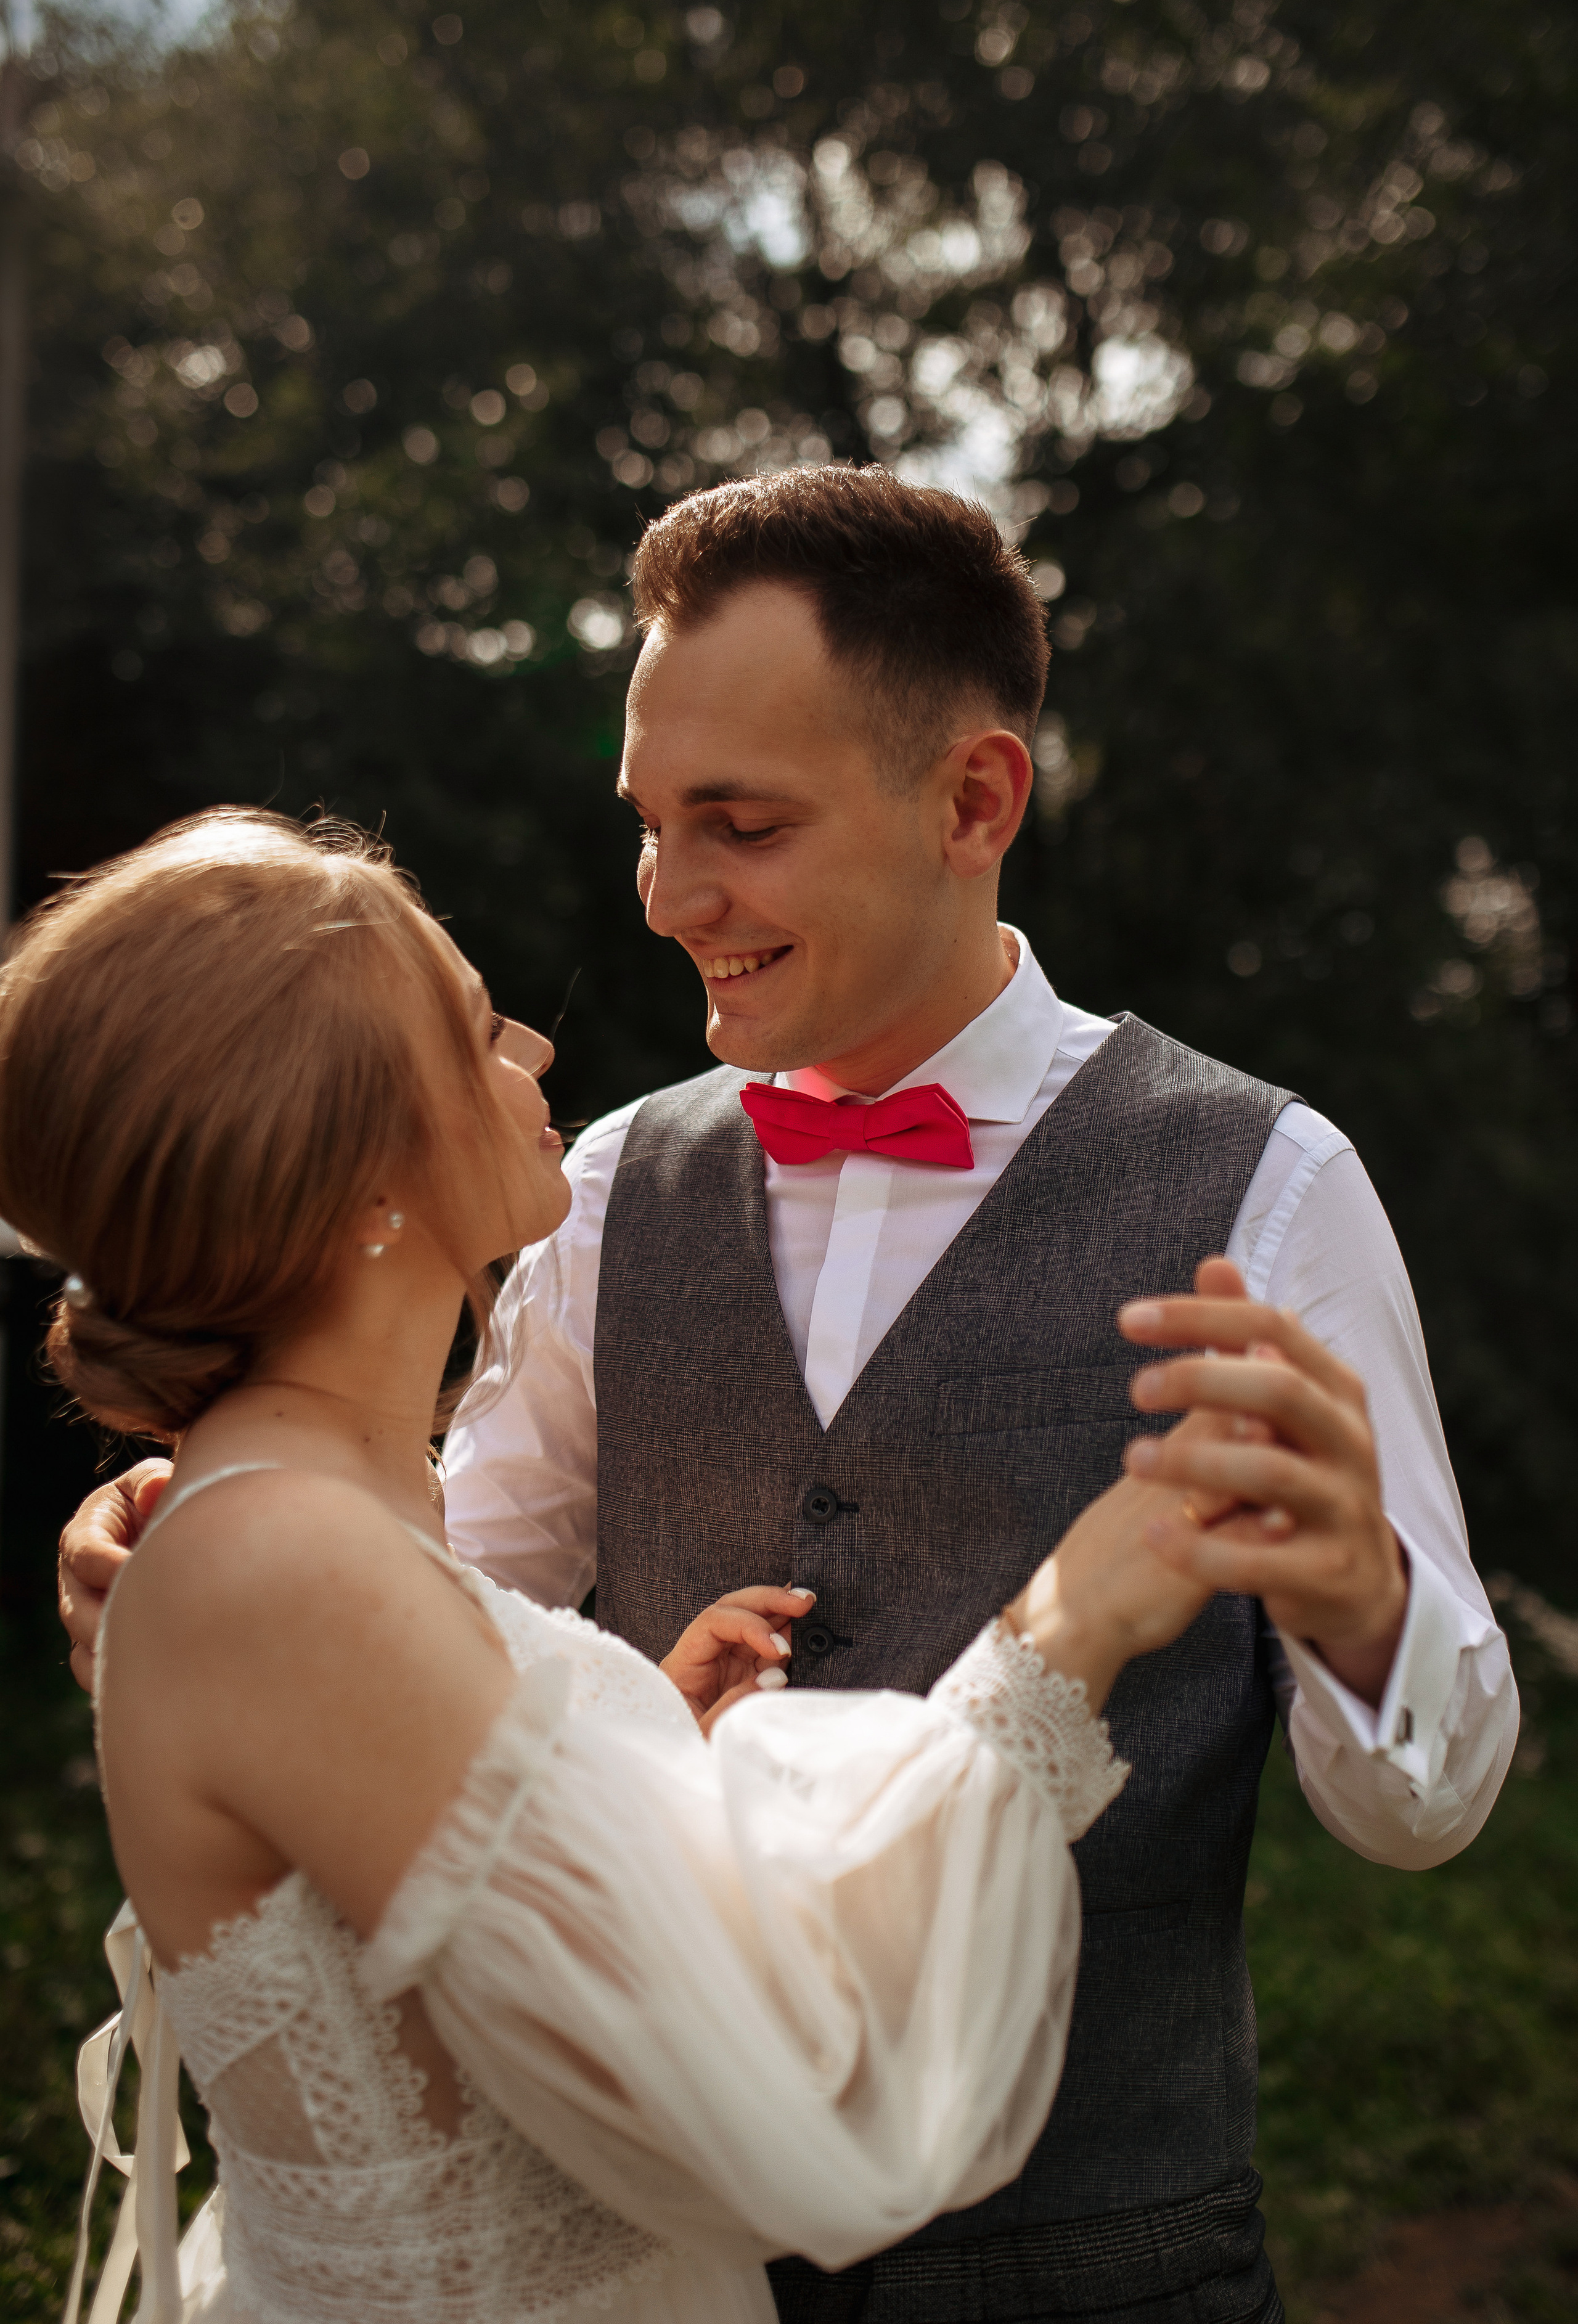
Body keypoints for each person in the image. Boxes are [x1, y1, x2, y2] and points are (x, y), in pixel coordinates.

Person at [59, 469, 1519, 2324]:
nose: (669, 901)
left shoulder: (1268, 1184)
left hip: (1105, 2266)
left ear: (974, 799)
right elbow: (435, 1622)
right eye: (650, 824)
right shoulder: (594, 1191)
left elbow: (1428, 1808)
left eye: (737, 825)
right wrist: (196, 1558)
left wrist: (1366, 1607)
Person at [27, 808, 1323, 2324]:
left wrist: (637, 1739)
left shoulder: (301, 1528)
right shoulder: (275, 1555)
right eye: (469, 1028)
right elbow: (750, 2108)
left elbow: (446, 1931)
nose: (531, 1054)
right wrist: (1069, 1620)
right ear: (356, 1166)